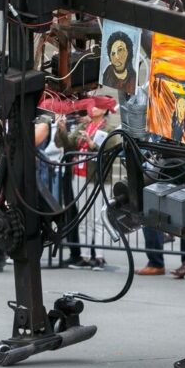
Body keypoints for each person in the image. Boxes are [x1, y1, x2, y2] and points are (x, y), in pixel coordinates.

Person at [57, 104, 112, 271]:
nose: (93, 108)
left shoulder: (109, 128)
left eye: (97, 106)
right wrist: (61, 129)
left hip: (97, 178)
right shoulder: (84, 125)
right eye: (92, 106)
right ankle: (85, 256)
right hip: (79, 174)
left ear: (104, 110)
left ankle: (100, 257)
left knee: (97, 218)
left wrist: (91, 143)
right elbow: (67, 143)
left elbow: (110, 148)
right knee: (83, 217)